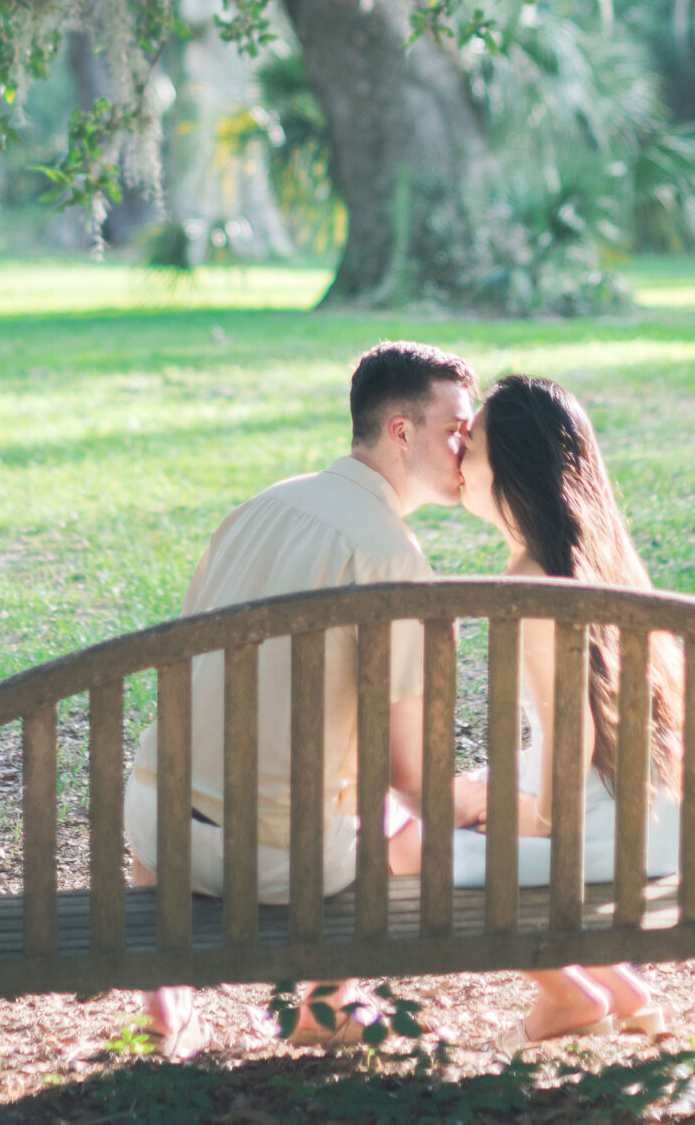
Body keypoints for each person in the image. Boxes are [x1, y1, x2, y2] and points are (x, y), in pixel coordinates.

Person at [123, 338, 476, 1058]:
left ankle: (166, 1005)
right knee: (387, 810)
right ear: (400, 432)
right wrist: (480, 804)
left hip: (156, 825)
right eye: (455, 431)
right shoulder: (393, 561)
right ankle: (325, 1002)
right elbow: (410, 779)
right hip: (277, 860)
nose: (465, 451)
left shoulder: (265, 503)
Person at [450, 373, 685, 1046]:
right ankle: (625, 993)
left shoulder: (531, 585)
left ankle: (569, 1001)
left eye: (471, 442)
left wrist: (524, 816)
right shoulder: (597, 561)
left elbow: (568, 736)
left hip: (599, 838)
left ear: (512, 462)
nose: (458, 456)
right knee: (448, 807)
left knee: (407, 846)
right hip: (650, 823)